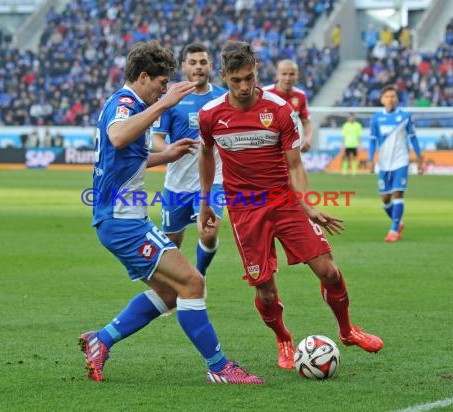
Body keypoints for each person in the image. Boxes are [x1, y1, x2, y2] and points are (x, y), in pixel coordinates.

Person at [79, 40, 263, 385]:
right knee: (192, 282)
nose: (164, 89)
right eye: (162, 83)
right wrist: (166, 102)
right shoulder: (124, 103)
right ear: (144, 76)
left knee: (170, 293)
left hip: (124, 218)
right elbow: (118, 137)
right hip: (122, 220)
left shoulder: (128, 104)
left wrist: (167, 155)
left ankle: (100, 340)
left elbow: (127, 157)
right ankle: (220, 367)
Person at [198, 41, 383, 371]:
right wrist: (205, 201)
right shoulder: (211, 114)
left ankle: (347, 330)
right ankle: (283, 339)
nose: (244, 87)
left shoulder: (280, 110)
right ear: (224, 75)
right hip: (244, 208)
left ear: (257, 72)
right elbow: (206, 155)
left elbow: (295, 164)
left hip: (284, 200)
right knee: (266, 291)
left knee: (329, 270)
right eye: (236, 80)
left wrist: (307, 205)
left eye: (250, 78)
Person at [151, 43, 226, 278]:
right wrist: (169, 149)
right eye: (193, 63)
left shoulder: (223, 98)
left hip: (213, 180)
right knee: (172, 239)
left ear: (211, 66)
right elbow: (157, 139)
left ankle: (199, 275)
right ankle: (172, 290)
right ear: (184, 67)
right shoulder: (172, 98)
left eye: (203, 62)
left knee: (209, 232)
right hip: (178, 182)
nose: (198, 67)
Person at [368, 85, 424, 243]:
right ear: (381, 99)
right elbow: (372, 140)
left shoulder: (405, 116)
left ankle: (393, 230)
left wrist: (419, 158)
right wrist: (371, 159)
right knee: (385, 199)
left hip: (401, 160)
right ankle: (398, 222)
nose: (390, 99)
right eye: (387, 96)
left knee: (398, 193)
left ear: (397, 99)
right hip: (384, 163)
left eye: (393, 96)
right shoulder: (376, 118)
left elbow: (413, 137)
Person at [263, 59, 313, 152]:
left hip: (291, 148)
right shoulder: (265, 93)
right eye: (284, 74)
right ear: (277, 75)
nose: (288, 78)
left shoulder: (300, 95)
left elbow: (306, 122)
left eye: (291, 74)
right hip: (268, 148)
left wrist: (308, 139)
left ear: (297, 76)